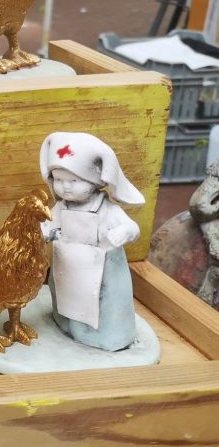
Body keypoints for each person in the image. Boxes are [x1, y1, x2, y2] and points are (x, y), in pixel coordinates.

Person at [40, 132, 146, 352]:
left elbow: (133, 228)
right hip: (68, 267)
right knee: (65, 299)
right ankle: (66, 325)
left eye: (73, 181)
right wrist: (43, 232)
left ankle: (106, 338)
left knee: (103, 305)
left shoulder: (106, 209)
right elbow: (48, 224)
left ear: (94, 182)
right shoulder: (61, 207)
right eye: (58, 180)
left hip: (101, 271)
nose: (65, 187)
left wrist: (125, 231)